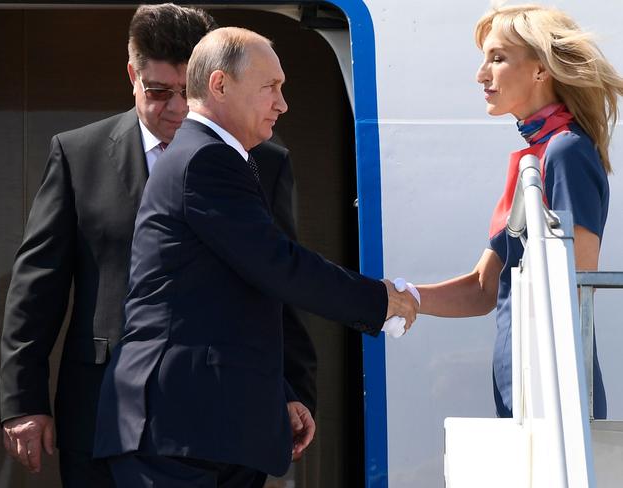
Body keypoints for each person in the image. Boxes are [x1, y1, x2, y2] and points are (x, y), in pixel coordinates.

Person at [0, 4, 316, 486]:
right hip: (102, 412)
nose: (176, 107)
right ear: (132, 74)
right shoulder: (78, 154)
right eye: (158, 91)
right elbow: (36, 288)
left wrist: (292, 391)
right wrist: (24, 401)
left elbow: (281, 285)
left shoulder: (264, 163)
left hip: (227, 424)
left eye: (186, 90)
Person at [93, 27, 418, 487]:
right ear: (220, 85)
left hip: (209, 426)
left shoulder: (214, 157)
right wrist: (380, 302)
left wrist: (277, 393)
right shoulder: (206, 159)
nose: (282, 104)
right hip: (180, 429)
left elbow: (225, 300)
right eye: (271, 88)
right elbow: (277, 263)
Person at [416, 4, 623, 419]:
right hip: (525, 391)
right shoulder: (537, 156)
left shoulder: (564, 151)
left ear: (540, 71)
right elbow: (482, 287)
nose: (481, 74)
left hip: (552, 398)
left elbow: (573, 289)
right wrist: (403, 297)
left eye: (497, 58)